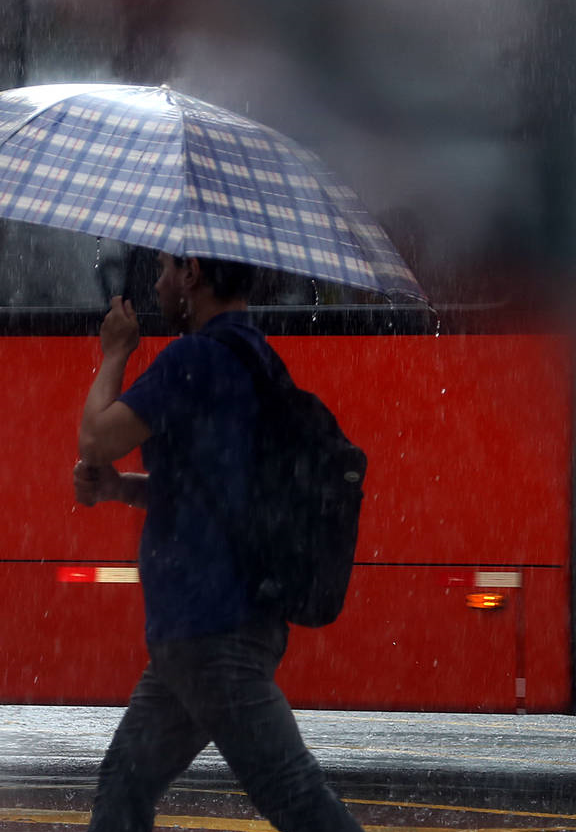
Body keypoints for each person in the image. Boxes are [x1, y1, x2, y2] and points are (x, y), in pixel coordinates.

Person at [74, 251, 366, 832]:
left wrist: (114, 352)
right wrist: (121, 489)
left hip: (209, 630)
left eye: (162, 270)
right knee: (124, 786)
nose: (155, 285)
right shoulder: (254, 357)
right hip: (213, 628)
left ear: (193, 274)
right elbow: (210, 489)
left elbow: (96, 437)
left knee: (294, 795)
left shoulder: (196, 357)